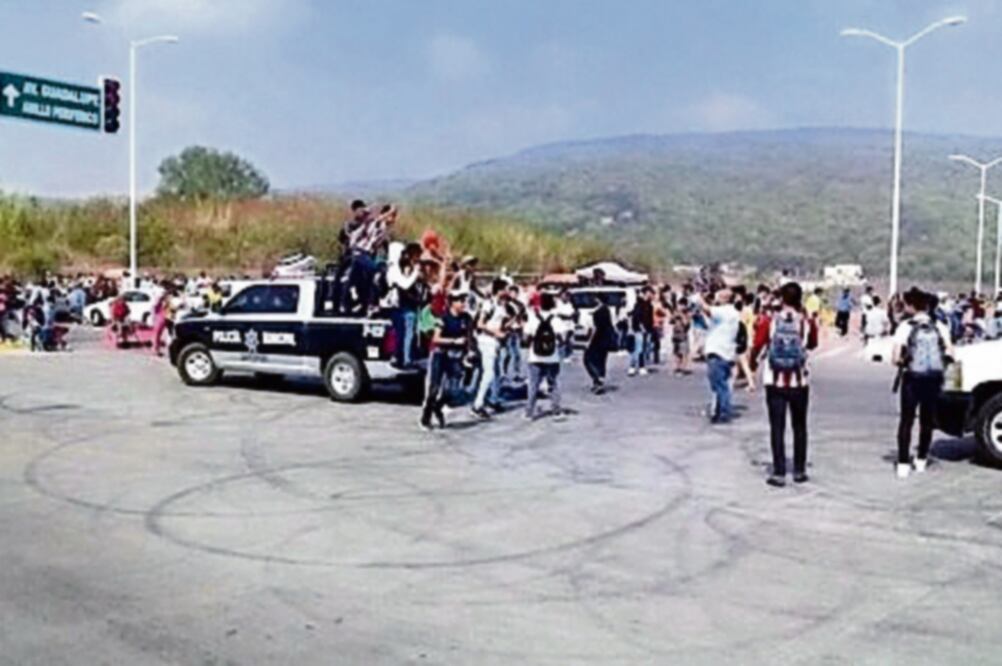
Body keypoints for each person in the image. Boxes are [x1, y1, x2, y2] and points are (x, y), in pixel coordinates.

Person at [757, 282, 818, 487]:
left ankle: (779, 471)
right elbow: (812, 344)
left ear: (781, 298)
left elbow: (759, 342)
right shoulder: (806, 322)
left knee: (777, 426)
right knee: (800, 425)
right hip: (799, 380)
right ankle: (799, 470)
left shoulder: (769, 320)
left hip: (774, 379)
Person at [892, 288, 953, 478]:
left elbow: (895, 358)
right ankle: (921, 460)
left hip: (912, 379)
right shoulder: (939, 326)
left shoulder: (906, 327)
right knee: (927, 421)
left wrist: (905, 362)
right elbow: (950, 353)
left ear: (911, 305)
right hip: (933, 380)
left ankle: (903, 463)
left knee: (906, 421)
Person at [421, 292, 472, 430]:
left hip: (455, 356)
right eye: (460, 301)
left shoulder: (466, 318)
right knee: (434, 387)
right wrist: (454, 341)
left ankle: (438, 406)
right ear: (453, 303)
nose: (463, 304)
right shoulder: (443, 318)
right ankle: (426, 418)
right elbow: (436, 339)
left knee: (452, 389)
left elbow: (469, 336)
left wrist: (469, 351)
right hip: (440, 354)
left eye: (464, 301)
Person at [524, 292, 570, 420]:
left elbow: (526, 338)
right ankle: (556, 410)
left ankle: (529, 412)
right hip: (552, 357)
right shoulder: (556, 320)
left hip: (535, 357)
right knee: (553, 383)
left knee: (533, 384)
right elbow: (563, 339)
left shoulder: (533, 319)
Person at [471, 279, 510, 419]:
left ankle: (493, 399)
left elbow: (500, 323)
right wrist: (495, 333)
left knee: (497, 373)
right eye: (506, 289)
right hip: (487, 341)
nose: (508, 292)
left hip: (495, 342)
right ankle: (478, 404)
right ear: (499, 290)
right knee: (489, 373)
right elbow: (480, 324)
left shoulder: (502, 306)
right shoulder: (489, 304)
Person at [702, 289, 740, 424]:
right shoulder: (734, 313)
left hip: (718, 353)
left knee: (719, 385)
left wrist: (698, 298)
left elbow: (707, 309)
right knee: (722, 385)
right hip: (727, 352)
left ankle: (722, 413)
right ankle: (720, 410)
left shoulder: (724, 311)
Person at [584, 294, 617, 393]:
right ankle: (600, 380)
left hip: (597, 340)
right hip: (606, 339)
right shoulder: (607, 310)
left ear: (598, 300)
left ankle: (597, 378)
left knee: (588, 359)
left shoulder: (597, 312)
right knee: (602, 360)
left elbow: (595, 328)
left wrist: (589, 341)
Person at [628, 286, 655, 376]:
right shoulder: (639, 304)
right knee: (638, 349)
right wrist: (641, 327)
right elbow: (636, 317)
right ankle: (632, 367)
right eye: (650, 293)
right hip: (639, 330)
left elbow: (650, 319)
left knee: (645, 349)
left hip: (648, 330)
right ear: (645, 293)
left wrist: (651, 329)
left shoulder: (650, 305)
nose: (651, 295)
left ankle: (641, 366)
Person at [669, 299, 692, 375]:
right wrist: (674, 315)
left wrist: (682, 315)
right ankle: (677, 367)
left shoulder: (687, 313)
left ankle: (683, 369)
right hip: (675, 335)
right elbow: (670, 321)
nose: (680, 307)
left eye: (682, 305)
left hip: (683, 335)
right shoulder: (676, 312)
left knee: (684, 353)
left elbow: (686, 324)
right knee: (676, 352)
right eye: (679, 305)